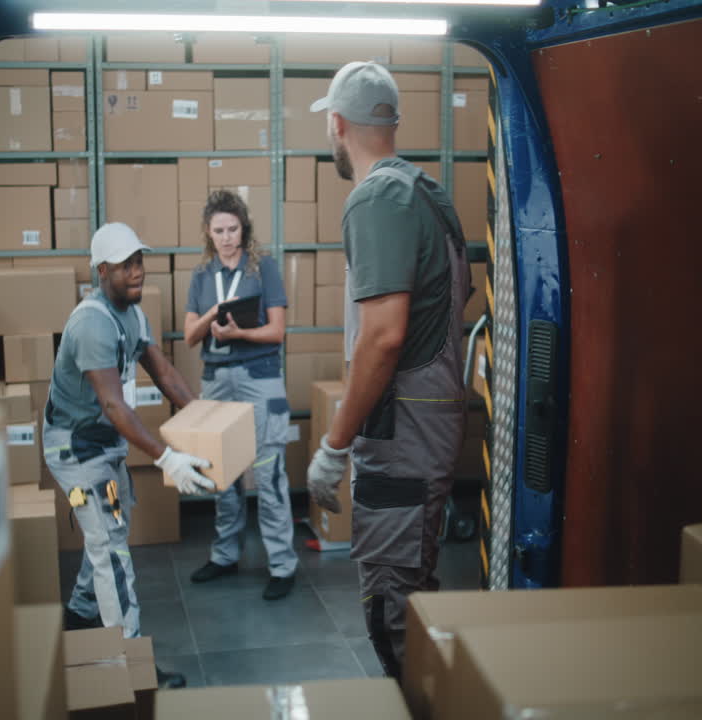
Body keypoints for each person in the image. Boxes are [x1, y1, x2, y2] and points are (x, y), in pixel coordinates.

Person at [305, 62, 471, 679]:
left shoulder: (375, 198)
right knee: (415, 588)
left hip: (403, 431)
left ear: (337, 123)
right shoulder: (428, 193)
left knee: (392, 610)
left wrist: (334, 446)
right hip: (429, 420)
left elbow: (382, 336)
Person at [43, 222, 216, 689]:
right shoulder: (91, 324)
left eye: (139, 261)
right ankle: (133, 667)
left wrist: (206, 420)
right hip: (74, 448)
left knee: (109, 528)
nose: (137, 271)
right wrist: (167, 458)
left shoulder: (133, 315)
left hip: (102, 440)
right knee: (113, 552)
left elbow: (164, 373)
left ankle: (80, 615)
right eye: (125, 265)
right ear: (102, 271)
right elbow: (114, 406)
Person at [182, 190, 298, 601]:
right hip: (216, 379)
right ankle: (225, 555)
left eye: (233, 229)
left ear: (244, 229)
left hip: (259, 377)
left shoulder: (263, 267)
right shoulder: (202, 274)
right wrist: (214, 314)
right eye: (219, 231)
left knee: (269, 471)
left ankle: (282, 565)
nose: (227, 237)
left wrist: (239, 332)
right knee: (222, 472)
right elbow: (189, 336)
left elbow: (277, 332)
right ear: (208, 233)